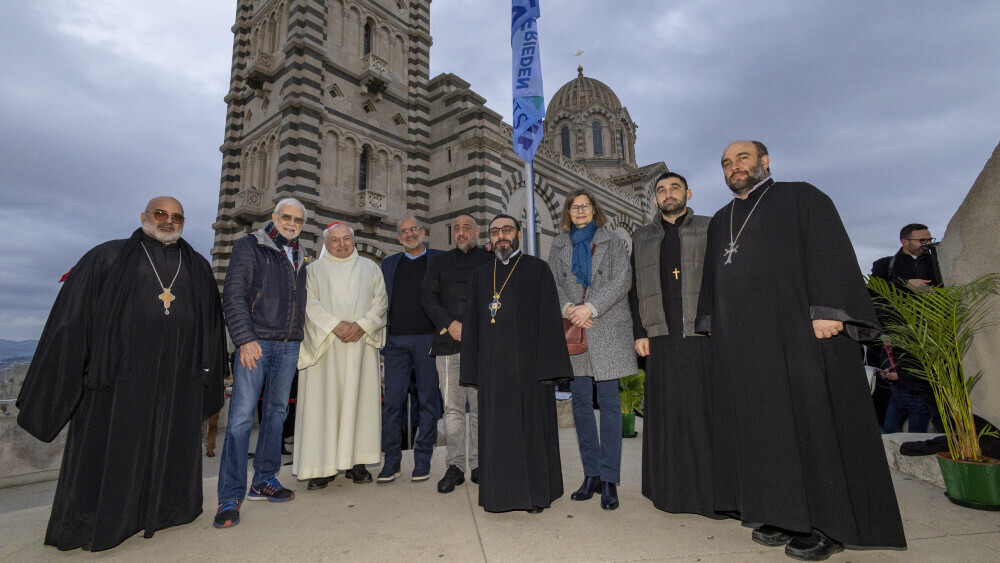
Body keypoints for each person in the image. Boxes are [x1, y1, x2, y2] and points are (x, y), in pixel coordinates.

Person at [696, 141, 906, 559]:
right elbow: (714, 281)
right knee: (765, 431)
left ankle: (827, 525)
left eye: (742, 158)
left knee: (812, 425)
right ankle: (780, 513)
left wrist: (828, 308)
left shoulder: (800, 197)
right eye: (726, 163)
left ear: (764, 161)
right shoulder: (721, 220)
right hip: (748, 348)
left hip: (799, 336)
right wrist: (711, 324)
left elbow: (830, 253)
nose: (733, 167)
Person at [16, 196, 227, 551]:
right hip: (118, 381)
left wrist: (209, 376)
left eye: (176, 216)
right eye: (160, 214)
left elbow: (211, 328)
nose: (168, 221)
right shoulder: (107, 257)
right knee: (113, 454)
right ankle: (106, 520)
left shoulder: (197, 266)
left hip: (178, 380)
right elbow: (71, 321)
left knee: (171, 446)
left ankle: (165, 512)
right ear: (143, 216)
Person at [460, 214, 572, 514]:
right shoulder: (482, 275)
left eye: (507, 230)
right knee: (498, 434)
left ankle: (535, 495)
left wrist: (550, 369)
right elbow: (471, 324)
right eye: (495, 232)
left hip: (530, 370)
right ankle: (499, 496)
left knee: (531, 431)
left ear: (519, 234)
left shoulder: (538, 269)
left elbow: (550, 321)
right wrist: (472, 369)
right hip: (494, 372)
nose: (501, 237)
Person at [628, 172, 720, 519]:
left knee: (703, 410)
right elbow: (634, 287)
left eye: (674, 188)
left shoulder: (709, 227)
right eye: (661, 190)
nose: (668, 194)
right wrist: (640, 332)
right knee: (668, 413)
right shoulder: (642, 236)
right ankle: (668, 490)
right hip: (661, 334)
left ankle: (710, 491)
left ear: (688, 193)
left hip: (699, 332)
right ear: (654, 198)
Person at [215, 198, 309, 528]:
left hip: (288, 345)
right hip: (255, 343)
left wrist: (298, 335)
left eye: (297, 219)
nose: (291, 222)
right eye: (286, 216)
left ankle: (264, 480)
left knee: (277, 412)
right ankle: (229, 496)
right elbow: (234, 295)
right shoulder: (250, 246)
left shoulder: (300, 254)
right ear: (274, 217)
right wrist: (244, 339)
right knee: (240, 417)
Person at [547, 189, 636, 510]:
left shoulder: (613, 242)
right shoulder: (558, 245)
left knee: (610, 404)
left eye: (585, 206)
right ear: (568, 212)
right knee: (582, 403)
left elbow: (622, 280)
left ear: (594, 210)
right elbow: (552, 283)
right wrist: (570, 307)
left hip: (606, 325)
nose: (580, 211)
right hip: (574, 329)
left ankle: (610, 478)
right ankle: (591, 475)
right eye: (574, 207)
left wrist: (591, 308)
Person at [294, 223, 388, 488]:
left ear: (353, 240)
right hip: (326, 349)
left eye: (346, 238)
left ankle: (357, 463)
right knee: (323, 405)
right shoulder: (312, 271)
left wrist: (362, 326)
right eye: (335, 240)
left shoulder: (371, 269)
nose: (342, 244)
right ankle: (322, 467)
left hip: (360, 347)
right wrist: (336, 326)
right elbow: (308, 305)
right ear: (325, 243)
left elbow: (380, 303)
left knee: (360, 403)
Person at [421, 214, 492, 493]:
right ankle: (455, 465)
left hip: (481, 346)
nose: (461, 233)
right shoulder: (439, 262)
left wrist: (474, 328)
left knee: (479, 406)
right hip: (447, 345)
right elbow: (428, 297)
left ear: (477, 232)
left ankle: (478, 463)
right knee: (452, 408)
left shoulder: (490, 260)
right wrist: (450, 324)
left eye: (467, 228)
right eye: (457, 229)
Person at [378, 217, 442, 483]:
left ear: (423, 232)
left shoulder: (439, 259)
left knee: (429, 400)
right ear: (398, 238)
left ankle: (423, 457)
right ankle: (392, 461)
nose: (409, 234)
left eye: (413, 229)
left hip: (428, 339)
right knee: (392, 402)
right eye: (403, 231)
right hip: (395, 342)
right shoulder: (389, 264)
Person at [871, 223, 942, 433]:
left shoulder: (936, 261)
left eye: (929, 239)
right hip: (898, 340)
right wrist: (904, 285)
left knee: (923, 399)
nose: (927, 244)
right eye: (922, 240)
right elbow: (874, 293)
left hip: (932, 339)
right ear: (905, 242)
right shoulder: (885, 265)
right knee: (896, 404)